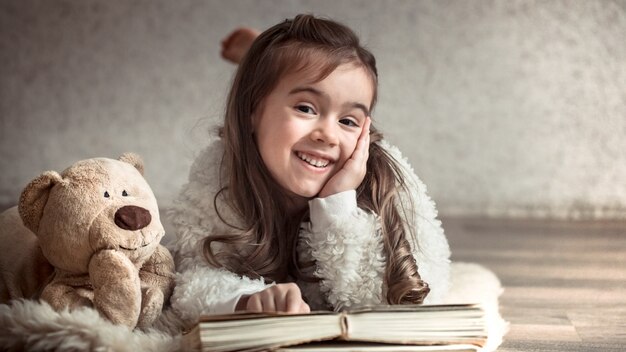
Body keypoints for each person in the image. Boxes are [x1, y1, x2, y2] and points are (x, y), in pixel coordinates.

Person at [167, 14, 450, 327]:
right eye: (305, 108)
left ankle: (261, 60)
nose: (327, 135)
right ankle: (256, 59)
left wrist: (338, 205)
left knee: (296, 80)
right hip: (258, 130)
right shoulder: (219, 172)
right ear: (252, 111)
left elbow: (406, 300)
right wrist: (244, 300)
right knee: (283, 75)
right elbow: (192, 277)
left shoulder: (391, 184)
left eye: (348, 120)